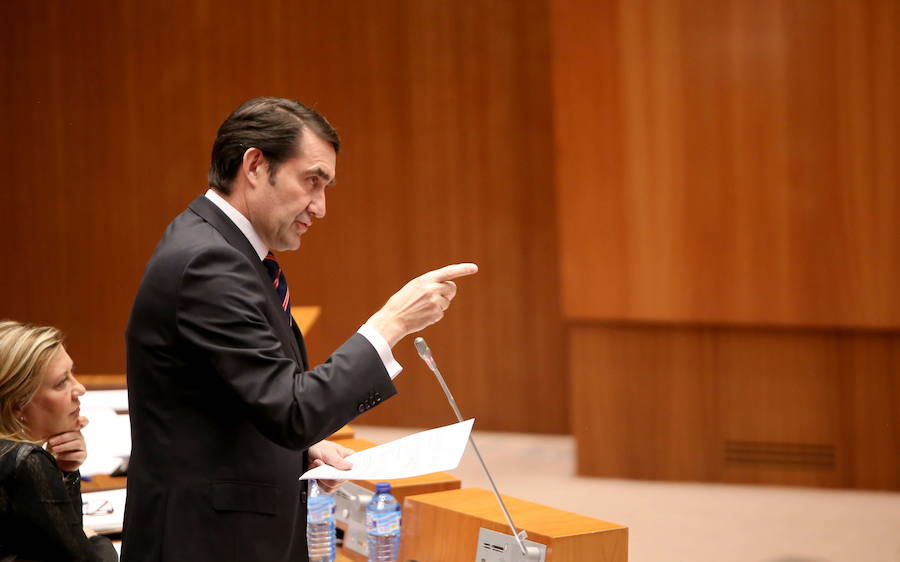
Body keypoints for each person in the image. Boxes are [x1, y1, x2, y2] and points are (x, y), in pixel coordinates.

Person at [121, 97, 477, 561]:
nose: (321, 207)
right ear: (255, 165)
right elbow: (291, 408)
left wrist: (302, 449)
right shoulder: (209, 262)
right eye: (312, 181)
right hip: (207, 540)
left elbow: (241, 392)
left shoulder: (222, 249)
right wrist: (391, 323)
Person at [0, 320, 118, 561]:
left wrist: (66, 471)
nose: (80, 388)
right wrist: (96, 540)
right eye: (62, 382)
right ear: (16, 404)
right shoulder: (26, 463)